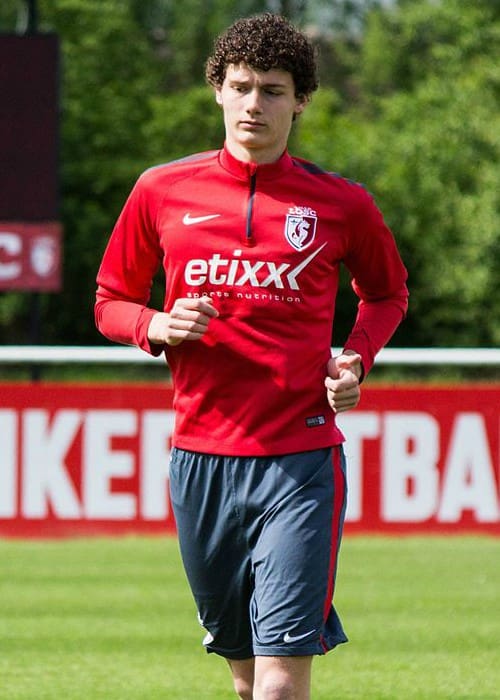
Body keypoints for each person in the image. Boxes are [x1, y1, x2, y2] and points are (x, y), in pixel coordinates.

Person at [95, 12, 408, 700]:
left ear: (300, 100)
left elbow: (387, 294)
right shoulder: (160, 191)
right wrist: (157, 324)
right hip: (199, 459)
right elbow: (110, 299)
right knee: (244, 679)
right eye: (240, 86)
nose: (253, 104)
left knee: (277, 684)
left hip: (300, 463)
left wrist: (354, 359)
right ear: (217, 91)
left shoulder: (341, 203)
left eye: (272, 90)